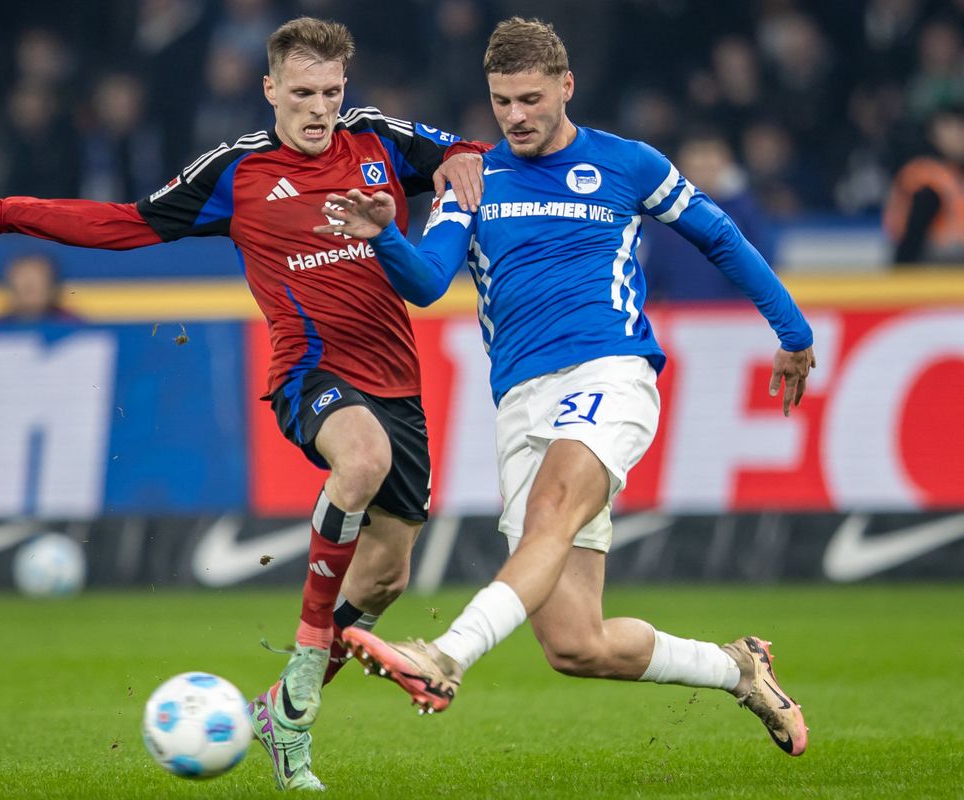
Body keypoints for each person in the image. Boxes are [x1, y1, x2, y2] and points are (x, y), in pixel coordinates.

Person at [0, 16, 485, 792]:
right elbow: (123, 224)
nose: (319, 108)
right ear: (269, 89)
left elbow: (468, 153)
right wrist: (1, 211)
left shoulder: (377, 141)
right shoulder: (238, 171)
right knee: (362, 459)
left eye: (331, 92)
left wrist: (464, 160)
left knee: (389, 576)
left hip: (397, 381)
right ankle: (303, 657)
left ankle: (282, 714)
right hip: (311, 371)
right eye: (302, 92)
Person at [317, 17, 815, 758]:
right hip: (521, 401)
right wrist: (385, 232)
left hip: (609, 373)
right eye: (501, 101)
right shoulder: (470, 175)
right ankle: (737, 667)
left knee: (553, 508)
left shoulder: (628, 163)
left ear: (566, 87)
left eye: (529, 98)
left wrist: (794, 332)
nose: (515, 116)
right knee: (576, 644)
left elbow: (719, 235)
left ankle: (445, 656)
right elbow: (425, 283)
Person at [641, 130, 774, 301]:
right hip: (679, 316)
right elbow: (652, 275)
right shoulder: (664, 216)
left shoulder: (744, 213)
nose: (704, 172)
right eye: (697, 166)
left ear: (725, 164)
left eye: (709, 166)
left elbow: (761, 272)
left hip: (732, 318)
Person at [884, 103, 964, 264]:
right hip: (933, 271)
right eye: (954, 128)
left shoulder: (952, 173)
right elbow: (911, 242)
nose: (960, 136)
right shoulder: (927, 179)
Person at [0, 253, 82, 324]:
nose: (29, 290)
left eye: (36, 286)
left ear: (52, 288)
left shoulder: (74, 328)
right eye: (25, 288)